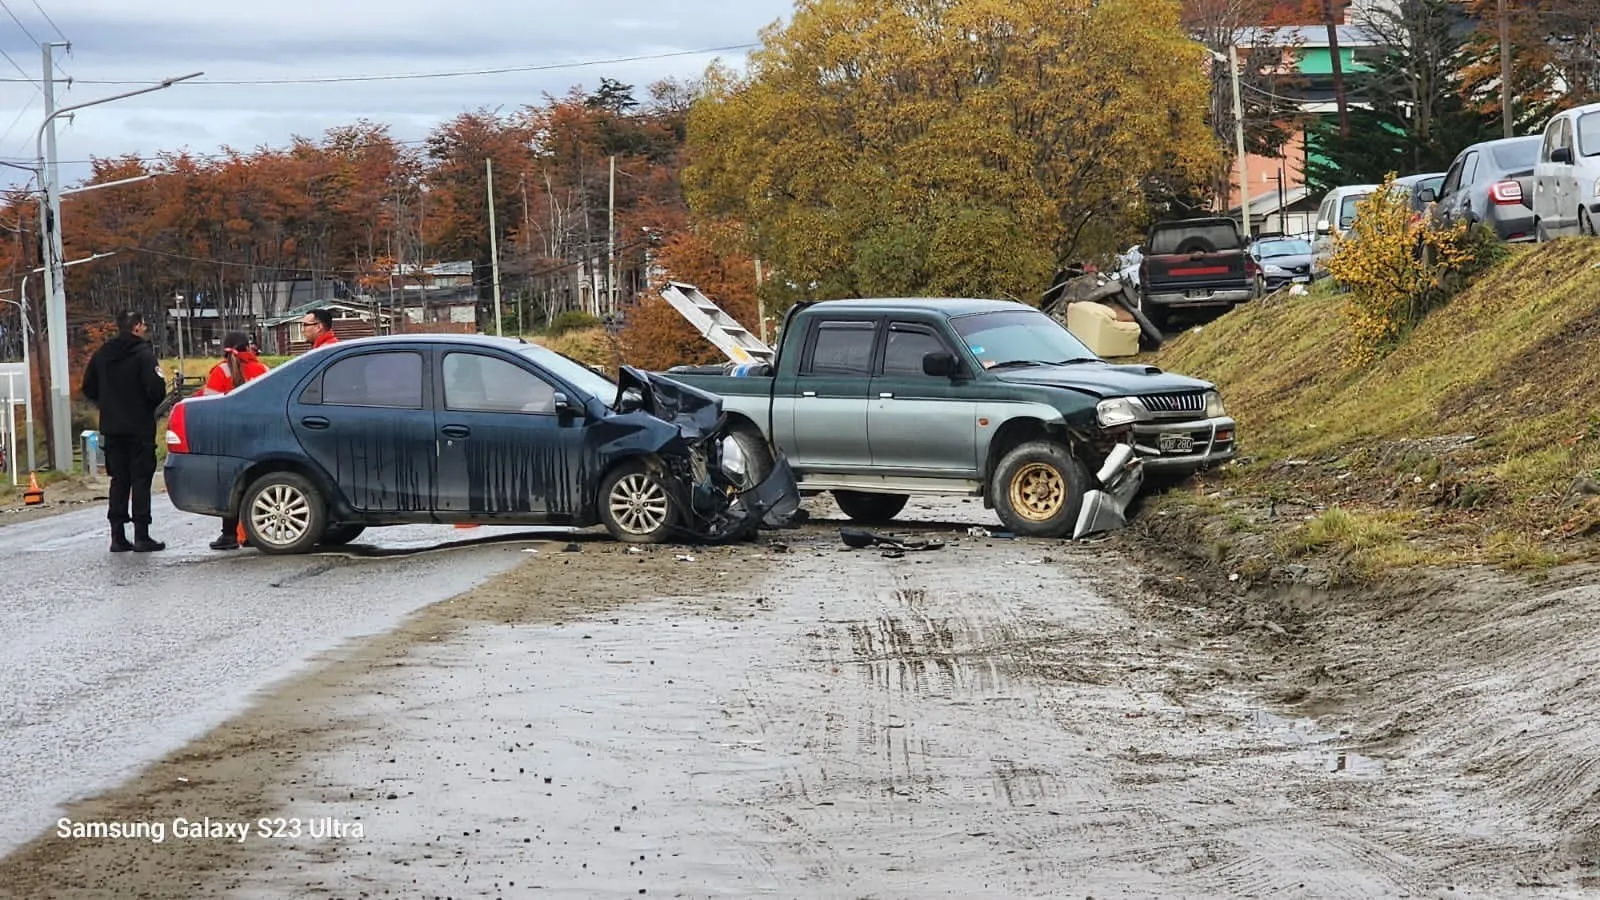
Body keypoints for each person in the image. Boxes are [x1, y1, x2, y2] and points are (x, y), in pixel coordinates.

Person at [80, 310, 167, 553]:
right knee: (140, 479)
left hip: (112, 427)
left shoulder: (103, 354)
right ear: (137, 327)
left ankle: (117, 536)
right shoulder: (143, 355)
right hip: (139, 427)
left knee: (118, 480)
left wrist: (106, 403)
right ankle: (142, 535)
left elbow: (88, 386)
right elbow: (156, 390)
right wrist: (145, 405)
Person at [199, 332, 271, 550]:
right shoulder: (262, 369)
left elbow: (208, 405)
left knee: (230, 486)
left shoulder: (220, 371)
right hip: (260, 435)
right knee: (256, 484)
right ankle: (254, 532)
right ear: (248, 348)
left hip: (228, 436)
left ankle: (229, 534)